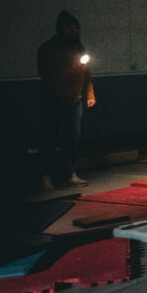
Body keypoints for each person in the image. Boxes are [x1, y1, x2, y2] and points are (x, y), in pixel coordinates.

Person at [37, 11, 95, 190]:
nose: (74, 31)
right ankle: (45, 176)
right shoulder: (48, 49)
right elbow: (46, 74)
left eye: (76, 28)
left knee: (72, 138)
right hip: (54, 99)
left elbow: (87, 73)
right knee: (51, 138)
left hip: (75, 100)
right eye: (70, 28)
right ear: (62, 29)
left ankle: (70, 174)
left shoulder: (79, 48)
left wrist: (90, 94)